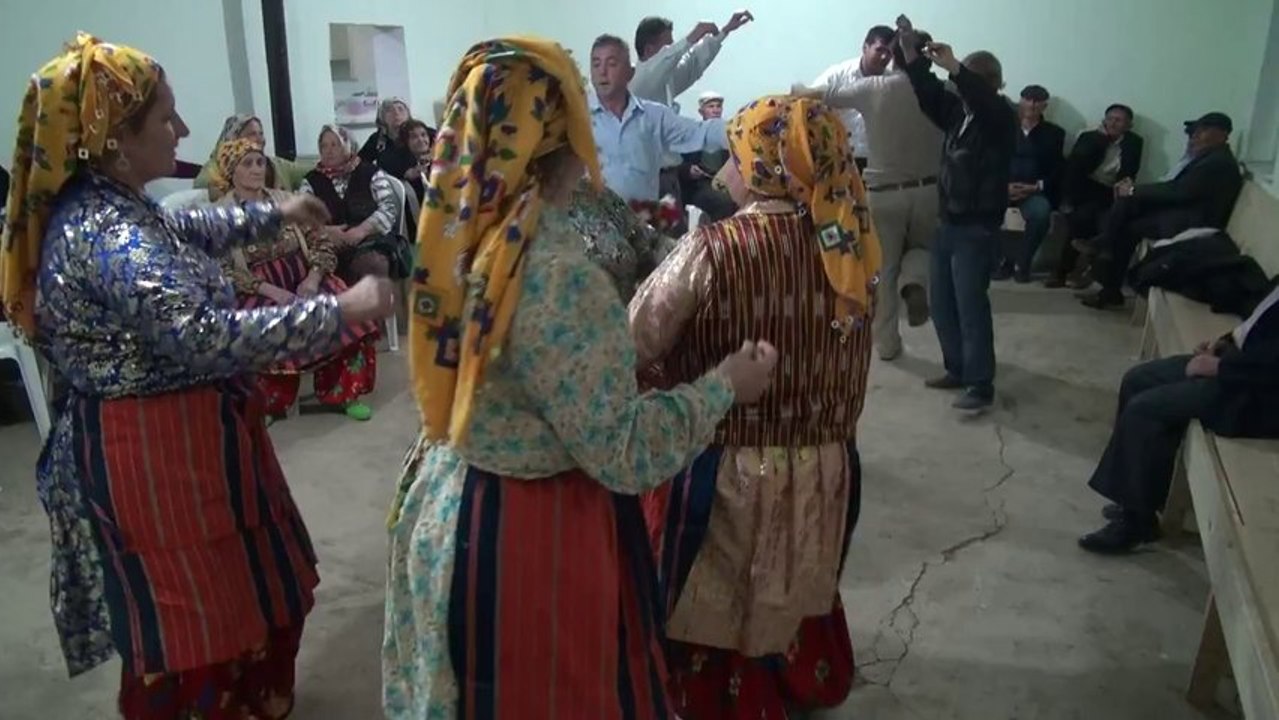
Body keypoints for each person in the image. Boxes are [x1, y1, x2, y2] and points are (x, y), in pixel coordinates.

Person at [381, 37, 779, 719]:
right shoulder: (556, 274)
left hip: (454, 491)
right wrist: (722, 385)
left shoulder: (462, 231)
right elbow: (621, 448)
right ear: (561, 139)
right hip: (527, 529)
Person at [0, 33, 394, 719]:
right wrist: (340, 310)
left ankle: (257, 697)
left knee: (263, 582)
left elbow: (185, 233)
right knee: (192, 625)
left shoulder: (118, 204)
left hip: (200, 433)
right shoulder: (106, 233)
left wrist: (274, 210)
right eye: (166, 117)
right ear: (115, 140)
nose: (182, 130)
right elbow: (205, 336)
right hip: (153, 454)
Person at [630, 94, 880, 719]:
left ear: (767, 163)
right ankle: (796, 679)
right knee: (795, 575)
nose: (727, 170)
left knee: (719, 589)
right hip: (826, 462)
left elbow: (633, 340)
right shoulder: (850, 248)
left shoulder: (713, 248)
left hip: (725, 467)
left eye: (737, 155)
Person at [1079, 286, 1279, 553]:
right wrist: (1225, 341)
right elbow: (1260, 323)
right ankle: (1140, 502)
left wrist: (1220, 367)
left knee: (1145, 411)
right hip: (1240, 365)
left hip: (1259, 395)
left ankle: (1135, 523)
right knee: (1137, 380)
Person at [795, 27, 942, 361]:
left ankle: (887, 345)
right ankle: (914, 283)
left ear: (895, 56)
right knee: (923, 249)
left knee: (884, 268)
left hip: (884, 192)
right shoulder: (944, 91)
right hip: (929, 190)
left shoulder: (873, 88)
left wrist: (790, 94)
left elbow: (814, 94)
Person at [214, 138, 381, 421]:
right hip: (256, 288)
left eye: (260, 162)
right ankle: (269, 404)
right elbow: (222, 271)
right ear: (231, 171)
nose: (257, 169)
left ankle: (343, 393)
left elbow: (320, 241)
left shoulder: (286, 200)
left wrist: (313, 279)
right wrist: (270, 291)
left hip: (303, 277)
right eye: (247, 164)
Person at [900, 20, 1016, 412]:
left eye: (970, 79)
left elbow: (982, 99)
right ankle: (958, 369)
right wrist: (911, 53)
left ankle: (980, 385)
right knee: (943, 306)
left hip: (977, 229)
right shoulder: (959, 115)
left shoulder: (1000, 117)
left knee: (971, 308)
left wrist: (955, 67)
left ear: (991, 84)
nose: (960, 84)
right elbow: (927, 92)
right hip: (948, 223)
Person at [1075, 112, 1243, 310]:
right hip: (1182, 214)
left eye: (1203, 130)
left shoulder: (1218, 163)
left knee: (1126, 212)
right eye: (1196, 131)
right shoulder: (1208, 158)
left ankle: (1104, 248)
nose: (1196, 135)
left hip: (1193, 223)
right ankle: (1107, 267)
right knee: (1125, 219)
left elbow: (1180, 191)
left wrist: (1134, 190)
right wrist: (1133, 191)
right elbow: (1176, 188)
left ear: (1223, 135)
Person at [589, 34, 729, 206]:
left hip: (644, 217)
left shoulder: (654, 116)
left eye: (611, 64)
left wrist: (740, 128)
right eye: (596, 64)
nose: (602, 72)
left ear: (630, 73)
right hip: (591, 220)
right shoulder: (575, 117)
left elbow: (698, 132)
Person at [1046, 103, 1143, 289]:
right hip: (1086, 189)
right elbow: (1075, 167)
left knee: (1107, 223)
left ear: (1128, 125)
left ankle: (1085, 274)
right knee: (1081, 219)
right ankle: (1064, 271)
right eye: (1110, 119)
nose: (1113, 123)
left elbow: (1130, 171)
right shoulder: (1089, 137)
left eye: (1119, 120)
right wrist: (1102, 140)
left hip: (1112, 191)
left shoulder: (1134, 142)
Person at [302, 124, 411, 283]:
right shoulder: (311, 180)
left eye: (335, 144)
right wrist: (326, 231)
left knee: (373, 264)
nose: (329, 150)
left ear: (350, 146)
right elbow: (301, 217)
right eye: (324, 146)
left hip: (369, 243)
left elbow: (389, 208)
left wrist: (361, 231)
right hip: (327, 246)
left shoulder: (371, 173)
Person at [994, 84, 1065, 283]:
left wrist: (1036, 187)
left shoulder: (1054, 133)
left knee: (1041, 213)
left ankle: (1022, 262)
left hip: (1033, 191)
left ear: (1045, 106)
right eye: (1028, 99)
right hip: (1001, 188)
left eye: (1037, 101)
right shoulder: (1003, 128)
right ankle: (1001, 261)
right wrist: (1003, 186)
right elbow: (990, 161)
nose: (1032, 104)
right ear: (1020, 101)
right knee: (984, 210)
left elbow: (1057, 168)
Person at [810, 25, 897, 170]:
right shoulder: (837, 75)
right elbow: (808, 101)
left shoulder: (893, 84)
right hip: (838, 160)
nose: (884, 57)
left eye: (889, 52)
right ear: (865, 48)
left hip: (875, 165)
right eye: (880, 50)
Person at [631, 12, 754, 109]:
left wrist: (726, 29)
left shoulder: (669, 79)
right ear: (648, 50)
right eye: (668, 47)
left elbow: (694, 59)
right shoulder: (636, 83)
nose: (672, 49)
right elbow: (662, 62)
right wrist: (692, 37)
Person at [195, 113, 308, 199]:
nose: (260, 139)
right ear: (234, 139)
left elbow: (309, 170)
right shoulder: (216, 168)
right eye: (252, 134)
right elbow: (202, 185)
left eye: (261, 133)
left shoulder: (276, 165)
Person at [678, 90, 737, 222]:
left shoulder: (730, 134)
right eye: (711, 107)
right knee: (724, 202)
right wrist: (689, 170)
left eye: (718, 106)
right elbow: (677, 164)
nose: (715, 110)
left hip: (725, 183)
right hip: (699, 186)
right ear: (701, 112)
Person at [357, 97, 418, 180]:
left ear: (408, 114)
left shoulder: (421, 133)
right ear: (382, 117)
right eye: (389, 110)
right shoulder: (377, 139)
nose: (396, 113)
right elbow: (361, 163)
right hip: (388, 184)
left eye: (400, 109)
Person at [399, 118, 436, 204]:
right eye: (414, 137)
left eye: (423, 135)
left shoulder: (439, 157)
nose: (421, 140)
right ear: (406, 142)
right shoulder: (404, 167)